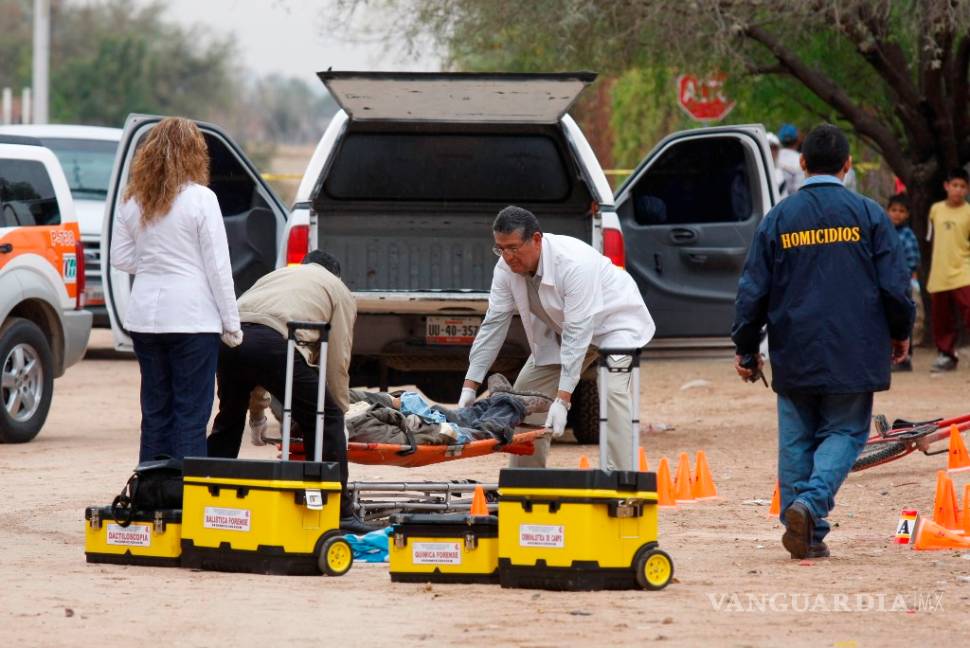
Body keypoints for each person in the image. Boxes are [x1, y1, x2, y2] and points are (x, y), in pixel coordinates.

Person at [732, 124, 913, 560]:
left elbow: (753, 290)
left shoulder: (779, 218)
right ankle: (810, 507)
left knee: (796, 439)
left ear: (803, 163)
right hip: (855, 348)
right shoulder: (869, 215)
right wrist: (900, 331)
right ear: (847, 165)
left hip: (794, 348)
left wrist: (746, 347)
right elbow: (895, 285)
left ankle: (805, 531)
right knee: (846, 431)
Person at [458, 206, 656, 470]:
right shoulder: (505, 269)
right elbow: (493, 325)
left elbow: (578, 332)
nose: (507, 257)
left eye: (513, 248)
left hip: (614, 324)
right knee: (524, 396)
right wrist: (469, 387)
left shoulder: (574, 263)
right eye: (500, 248)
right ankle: (526, 482)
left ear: (536, 239)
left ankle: (620, 479)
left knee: (614, 391)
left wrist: (563, 400)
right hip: (564, 328)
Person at [205, 250, 368, 533]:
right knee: (324, 418)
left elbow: (254, 348)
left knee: (228, 420)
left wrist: (257, 416)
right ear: (336, 274)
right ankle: (339, 512)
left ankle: (206, 495)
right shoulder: (337, 288)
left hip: (230, 339)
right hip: (274, 342)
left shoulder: (277, 275)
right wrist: (337, 411)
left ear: (305, 264)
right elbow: (337, 357)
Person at [110, 117, 241, 462]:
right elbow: (218, 268)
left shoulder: (133, 200)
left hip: (145, 320)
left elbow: (119, 257)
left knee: (155, 413)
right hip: (192, 320)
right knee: (190, 416)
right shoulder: (201, 199)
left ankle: (151, 487)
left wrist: (153, 263)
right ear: (196, 154)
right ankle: (185, 490)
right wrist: (232, 323)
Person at [926, 168, 970, 372]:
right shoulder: (935, 210)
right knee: (941, 317)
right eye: (955, 185)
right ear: (946, 186)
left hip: (963, 270)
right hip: (940, 272)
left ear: (967, 189)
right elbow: (930, 238)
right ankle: (946, 355)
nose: (958, 190)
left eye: (962, 186)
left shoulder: (968, 212)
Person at [886, 194, 922, 371]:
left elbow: (913, 260)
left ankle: (905, 358)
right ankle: (891, 357)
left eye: (901, 211)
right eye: (894, 210)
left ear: (907, 214)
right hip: (885, 284)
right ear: (887, 211)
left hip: (902, 284)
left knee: (903, 319)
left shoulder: (908, 235)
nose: (897, 214)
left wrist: (901, 273)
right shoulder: (883, 232)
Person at [776, 123, 805, 196]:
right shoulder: (801, 159)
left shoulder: (772, 158)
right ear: (798, 140)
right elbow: (800, 190)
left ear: (779, 140)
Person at [766, 132, 788, 199]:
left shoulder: (780, 173)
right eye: (769, 147)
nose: (772, 152)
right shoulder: (753, 168)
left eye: (775, 148)